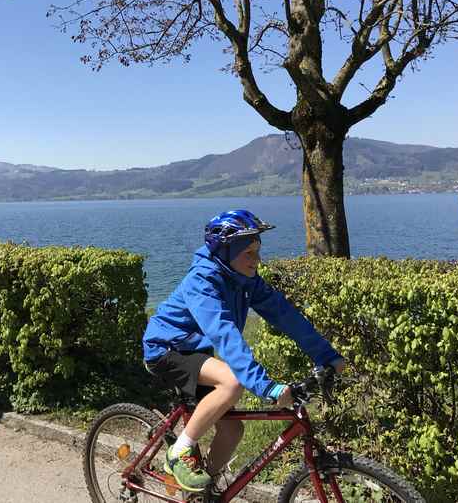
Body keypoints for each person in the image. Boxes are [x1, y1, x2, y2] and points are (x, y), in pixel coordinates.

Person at [142, 209, 345, 493]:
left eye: (258, 251)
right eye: (248, 253)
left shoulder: (245, 280)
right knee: (232, 382)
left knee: (233, 430)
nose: (257, 260)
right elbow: (225, 335)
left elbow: (285, 315)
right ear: (226, 252)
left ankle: (204, 493)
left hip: (195, 350)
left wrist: (326, 355)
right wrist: (268, 387)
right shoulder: (202, 281)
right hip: (167, 348)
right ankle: (178, 452)